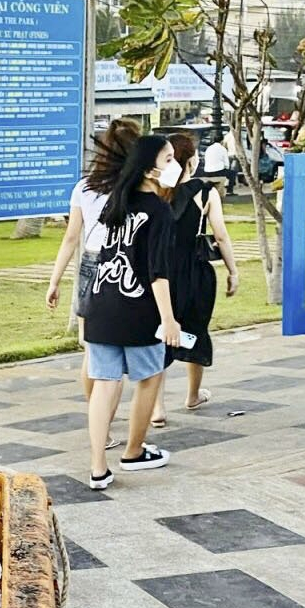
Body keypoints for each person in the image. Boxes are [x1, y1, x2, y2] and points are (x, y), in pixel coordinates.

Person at [82, 133, 182, 491]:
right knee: (150, 377)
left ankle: (97, 468)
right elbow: (158, 272)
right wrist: (169, 320)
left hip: (100, 306)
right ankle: (134, 451)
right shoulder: (158, 211)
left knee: (105, 385)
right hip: (137, 309)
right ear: (149, 167)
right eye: (168, 159)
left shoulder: (115, 203)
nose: (174, 165)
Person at [44, 119, 140, 404]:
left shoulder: (84, 186)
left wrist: (55, 280)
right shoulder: (138, 186)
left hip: (90, 262)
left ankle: (96, 417)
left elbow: (71, 237)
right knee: (120, 349)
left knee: (92, 348)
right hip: (126, 265)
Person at [150, 133, 239, 427]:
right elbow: (221, 235)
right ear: (192, 160)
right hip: (197, 270)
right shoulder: (205, 192)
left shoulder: (156, 191)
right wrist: (233, 270)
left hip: (160, 274)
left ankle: (157, 407)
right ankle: (192, 394)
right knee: (195, 328)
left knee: (160, 334)